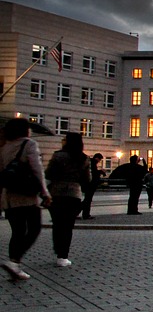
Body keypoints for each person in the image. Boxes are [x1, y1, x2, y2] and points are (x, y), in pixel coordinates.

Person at [1, 119, 50, 281]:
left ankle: (15, 266)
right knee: (34, 229)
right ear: (25, 130)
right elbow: (37, 170)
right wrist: (45, 192)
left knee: (17, 232)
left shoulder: (4, 146)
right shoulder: (29, 144)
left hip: (8, 197)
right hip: (27, 195)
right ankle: (14, 262)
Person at [45, 132, 90, 268]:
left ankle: (58, 248)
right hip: (73, 194)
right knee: (68, 226)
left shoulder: (58, 156)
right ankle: (63, 256)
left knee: (57, 224)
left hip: (56, 194)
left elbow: (48, 174)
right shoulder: (84, 158)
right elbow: (86, 180)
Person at [80, 153, 103, 219]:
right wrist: (100, 172)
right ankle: (84, 214)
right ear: (97, 158)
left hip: (87, 184)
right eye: (100, 160)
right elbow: (93, 173)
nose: (99, 161)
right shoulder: (93, 163)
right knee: (88, 200)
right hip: (90, 184)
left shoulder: (89, 162)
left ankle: (85, 214)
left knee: (87, 199)